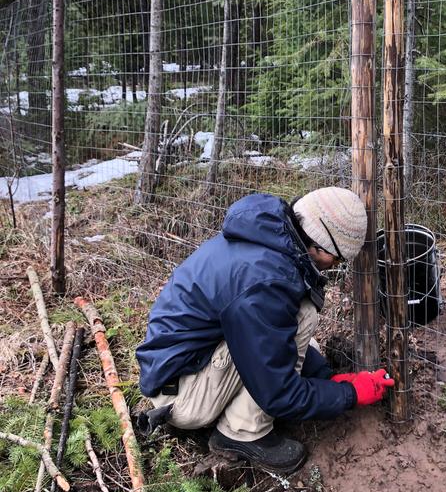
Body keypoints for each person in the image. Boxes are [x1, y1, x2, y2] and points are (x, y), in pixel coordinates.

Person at [136, 187, 394, 474]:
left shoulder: (267, 237)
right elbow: (280, 393)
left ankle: (238, 414)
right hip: (181, 397)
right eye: (337, 259)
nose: (334, 267)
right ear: (319, 245)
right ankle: (242, 432)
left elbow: (268, 338)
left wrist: (326, 378)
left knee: (294, 330)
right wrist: (349, 394)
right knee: (303, 315)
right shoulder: (266, 281)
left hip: (180, 365)